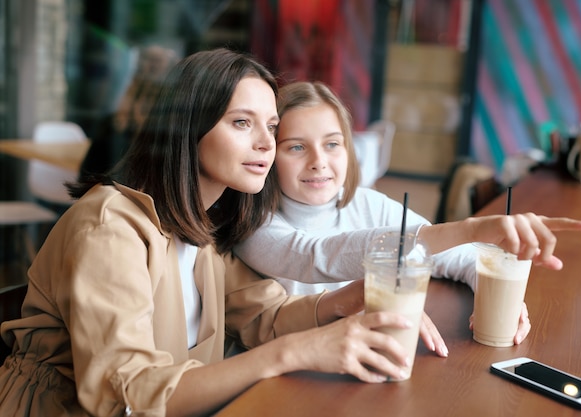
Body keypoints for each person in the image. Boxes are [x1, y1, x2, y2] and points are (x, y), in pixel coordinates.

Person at [0, 50, 421, 417]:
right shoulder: (110, 228)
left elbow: (264, 315)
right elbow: (123, 395)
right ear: (189, 127)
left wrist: (353, 298)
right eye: (242, 123)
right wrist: (292, 354)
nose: (265, 144)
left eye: (272, 127)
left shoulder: (201, 222)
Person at [233, 81, 581, 356]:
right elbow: (318, 255)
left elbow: (458, 257)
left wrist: (500, 299)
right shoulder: (253, 224)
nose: (318, 161)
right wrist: (469, 229)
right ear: (267, 153)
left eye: (332, 144)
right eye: (296, 146)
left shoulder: (368, 204)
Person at [79, 45, 180, 181]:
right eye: (145, 60)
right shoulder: (112, 127)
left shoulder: (170, 128)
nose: (149, 65)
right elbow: (87, 177)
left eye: (156, 61)